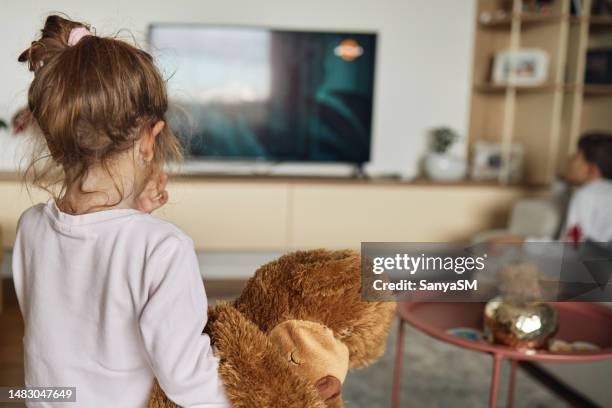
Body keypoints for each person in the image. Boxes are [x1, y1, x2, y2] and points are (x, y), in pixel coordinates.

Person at [12, 15, 230, 408]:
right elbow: (189, 383)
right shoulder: (164, 249)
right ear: (150, 139)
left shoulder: (30, 227)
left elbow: (73, 318)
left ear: (56, 141)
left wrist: (137, 218)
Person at [491, 132, 612, 245]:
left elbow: (571, 248)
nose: (570, 160)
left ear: (591, 170)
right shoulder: (603, 192)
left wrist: (523, 241)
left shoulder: (588, 194)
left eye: (576, 156)